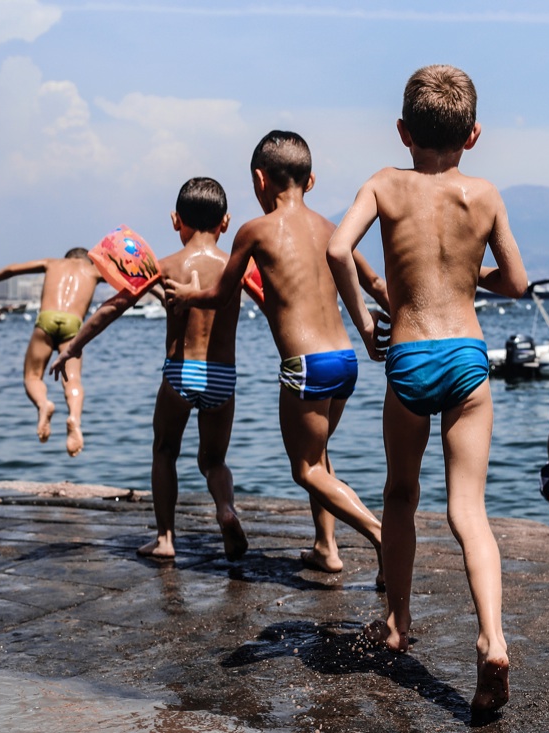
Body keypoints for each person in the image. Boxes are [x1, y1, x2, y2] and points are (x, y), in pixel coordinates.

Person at [327, 64, 527, 717]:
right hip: (467, 356)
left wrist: (364, 320)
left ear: (402, 130)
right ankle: (493, 639)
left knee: (400, 494)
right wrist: (473, 284)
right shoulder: (486, 194)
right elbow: (519, 283)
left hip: (409, 354)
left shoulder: (385, 184)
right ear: (473, 135)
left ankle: (397, 622)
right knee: (469, 509)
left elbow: (336, 247)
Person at [165, 132, 387, 587]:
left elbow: (220, 294)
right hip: (345, 361)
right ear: (312, 180)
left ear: (259, 180)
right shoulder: (330, 228)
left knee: (305, 469)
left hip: (306, 366)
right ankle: (326, 549)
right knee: (321, 457)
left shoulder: (256, 230)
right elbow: (376, 283)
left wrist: (189, 294)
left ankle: (383, 537)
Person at [50, 178, 247, 561]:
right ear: (225, 222)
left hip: (180, 371)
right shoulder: (234, 267)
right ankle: (225, 508)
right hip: (223, 375)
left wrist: (73, 347)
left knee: (165, 450)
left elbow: (111, 308)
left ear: (176, 221)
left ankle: (166, 538)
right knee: (214, 460)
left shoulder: (167, 266)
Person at [0, 249, 104, 457]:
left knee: (32, 376)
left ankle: (43, 404)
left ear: (67, 258)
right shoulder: (94, 271)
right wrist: (160, 293)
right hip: (73, 323)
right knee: (73, 381)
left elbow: (12, 268)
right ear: (87, 260)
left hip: (46, 318)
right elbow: (132, 282)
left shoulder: (52, 263)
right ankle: (74, 418)